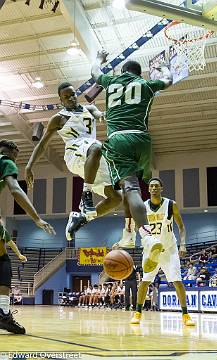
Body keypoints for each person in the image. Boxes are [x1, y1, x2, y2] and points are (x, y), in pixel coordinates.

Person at [91, 50, 173, 272]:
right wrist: (163, 66)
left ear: (124, 71)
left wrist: (100, 59)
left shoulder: (111, 81)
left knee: (130, 189)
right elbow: (168, 80)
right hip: (142, 140)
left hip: (119, 139)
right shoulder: (146, 84)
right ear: (139, 73)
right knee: (135, 189)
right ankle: (130, 233)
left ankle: (146, 237)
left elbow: (94, 72)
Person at [24, 82, 124, 241]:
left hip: (93, 157)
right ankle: (86, 195)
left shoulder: (89, 109)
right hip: (74, 153)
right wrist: (29, 165)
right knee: (97, 146)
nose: (71, 98)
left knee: (117, 198)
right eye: (66, 97)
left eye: (72, 94)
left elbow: (100, 115)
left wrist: (107, 114)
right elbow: (43, 144)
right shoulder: (58, 119)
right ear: (61, 100)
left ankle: (80, 219)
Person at [0, 140, 55, 334]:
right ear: (13, 152)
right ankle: (3, 313)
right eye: (18, 152)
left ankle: (3, 312)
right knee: (3, 262)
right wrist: (37, 218)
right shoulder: (6, 161)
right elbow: (15, 189)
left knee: (3, 260)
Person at [130, 178, 195, 326]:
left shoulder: (171, 205)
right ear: (148, 189)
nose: (153, 188)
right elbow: (136, 228)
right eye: (151, 186)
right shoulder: (143, 207)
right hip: (151, 250)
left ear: (161, 188)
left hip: (169, 249)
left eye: (156, 186)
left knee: (177, 281)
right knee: (144, 282)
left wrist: (183, 245)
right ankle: (138, 312)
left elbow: (182, 227)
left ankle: (185, 315)